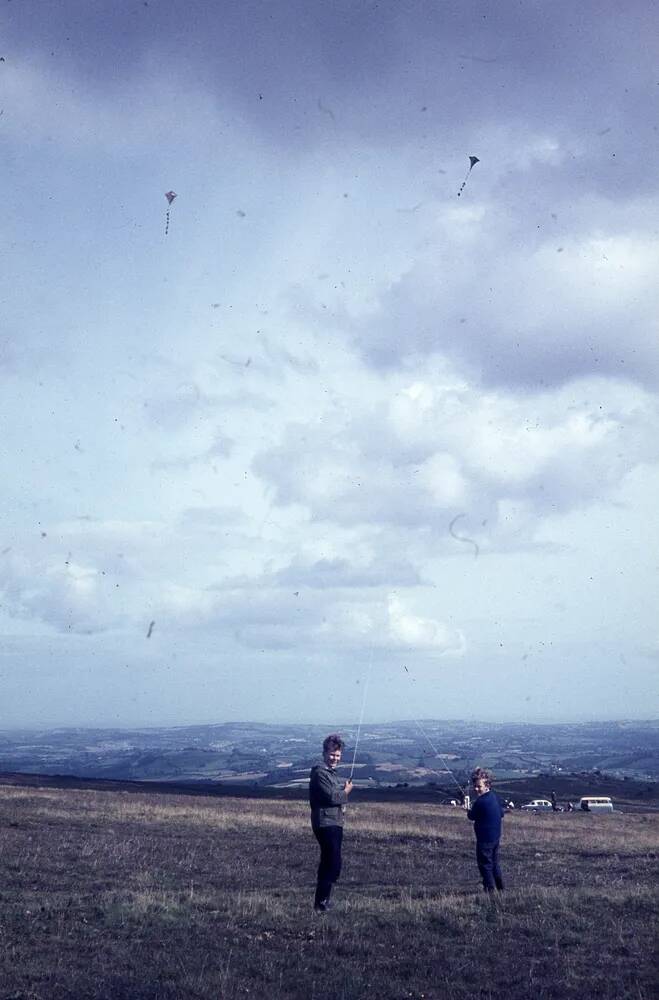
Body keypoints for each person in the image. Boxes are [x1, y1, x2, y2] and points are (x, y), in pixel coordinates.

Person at [309, 733, 353, 912]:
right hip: (325, 822)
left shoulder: (330, 773)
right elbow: (332, 796)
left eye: (337, 755)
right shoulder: (320, 773)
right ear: (324, 753)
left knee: (331, 861)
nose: (334, 758)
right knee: (332, 861)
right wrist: (346, 792)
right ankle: (321, 903)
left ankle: (323, 901)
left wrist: (342, 791)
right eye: (332, 754)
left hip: (334, 821)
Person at [467, 767, 505, 894]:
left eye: (479, 786)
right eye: (475, 786)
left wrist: (468, 809)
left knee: (485, 865)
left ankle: (491, 891)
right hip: (495, 837)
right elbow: (501, 813)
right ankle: (500, 888)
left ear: (487, 784)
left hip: (484, 840)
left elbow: (471, 816)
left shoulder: (480, 802)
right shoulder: (494, 796)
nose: (476, 789)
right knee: (494, 863)